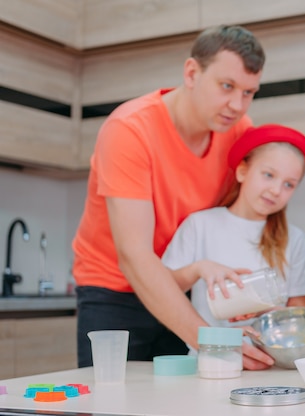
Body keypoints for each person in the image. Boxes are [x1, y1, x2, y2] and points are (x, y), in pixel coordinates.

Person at [71, 25, 274, 370]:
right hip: (115, 293)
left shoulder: (238, 131)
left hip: (182, 289)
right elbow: (134, 257)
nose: (237, 105)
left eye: (248, 92)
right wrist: (213, 342)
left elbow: (237, 218)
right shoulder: (130, 131)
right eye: (227, 86)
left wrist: (243, 294)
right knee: (112, 402)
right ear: (192, 73)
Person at [162, 124, 305, 349]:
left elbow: (299, 315)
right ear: (242, 171)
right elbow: (163, 289)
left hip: (269, 362)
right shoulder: (200, 225)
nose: (276, 190)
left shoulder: (292, 238)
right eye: (268, 175)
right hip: (209, 358)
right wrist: (199, 268)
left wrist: (269, 313)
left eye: (288, 184)